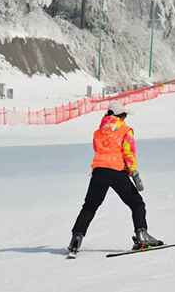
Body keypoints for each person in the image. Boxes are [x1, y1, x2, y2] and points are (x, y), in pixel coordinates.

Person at [68, 101, 162, 254]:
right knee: (136, 203)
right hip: (117, 171)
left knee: (90, 206)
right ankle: (142, 236)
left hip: (98, 172)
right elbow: (128, 153)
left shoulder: (98, 133)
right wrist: (134, 174)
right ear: (121, 116)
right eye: (124, 116)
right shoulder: (125, 131)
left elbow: (98, 149)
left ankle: (76, 238)